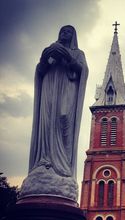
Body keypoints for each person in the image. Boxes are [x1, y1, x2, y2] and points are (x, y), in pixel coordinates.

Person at [29, 25, 88, 179]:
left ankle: (63, 165)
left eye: (68, 31)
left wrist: (68, 58)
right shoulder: (51, 52)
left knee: (64, 118)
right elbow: (41, 70)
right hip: (49, 89)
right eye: (62, 31)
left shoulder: (78, 53)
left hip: (67, 91)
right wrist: (44, 59)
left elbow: (83, 71)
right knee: (47, 122)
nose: (64, 33)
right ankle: (44, 160)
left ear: (73, 36)